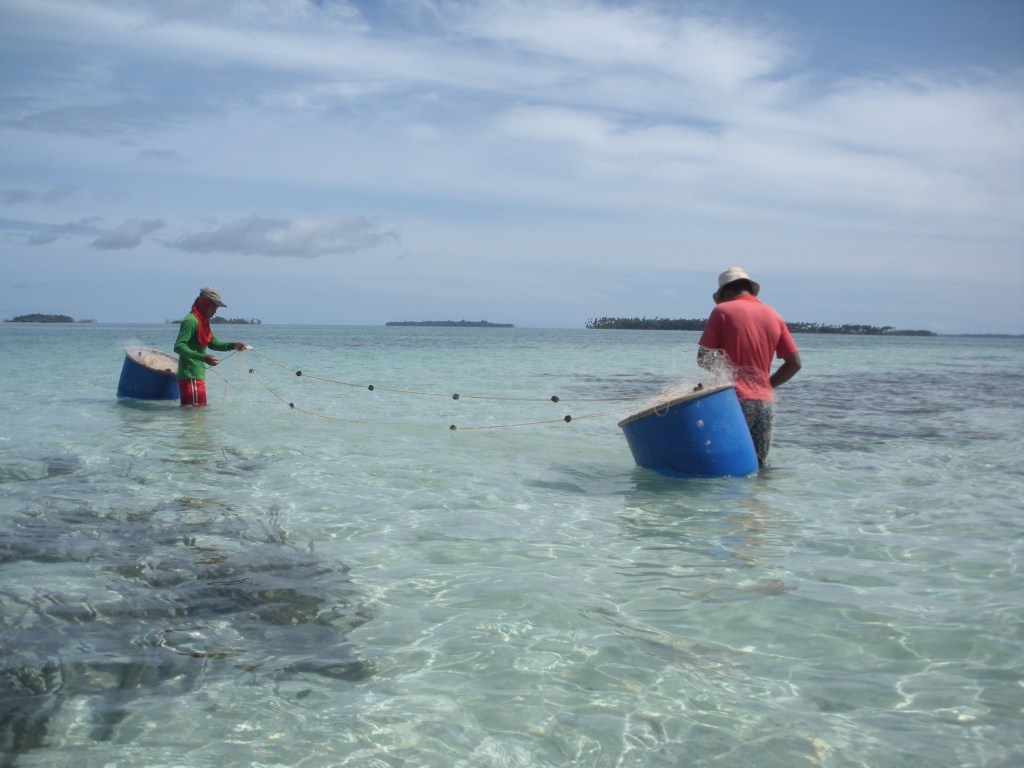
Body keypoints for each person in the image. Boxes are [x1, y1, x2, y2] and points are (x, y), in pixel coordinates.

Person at [697, 267, 801, 466]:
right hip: (764, 404)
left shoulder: (722, 311)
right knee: (757, 465)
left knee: (726, 464)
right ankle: (757, 497)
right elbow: (794, 364)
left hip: (734, 402)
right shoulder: (774, 315)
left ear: (725, 293)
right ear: (750, 290)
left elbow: (703, 358)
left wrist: (726, 376)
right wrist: (766, 385)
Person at [174, 286, 247, 407]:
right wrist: (203, 357)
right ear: (204, 304)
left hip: (196, 376)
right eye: (213, 307)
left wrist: (234, 345)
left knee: (196, 416)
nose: (215, 312)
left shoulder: (203, 321)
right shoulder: (191, 321)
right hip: (190, 376)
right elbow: (178, 346)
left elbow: (213, 343)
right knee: (195, 416)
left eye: (216, 308)